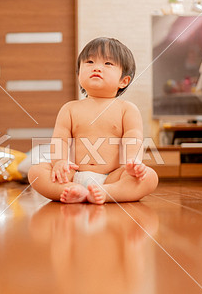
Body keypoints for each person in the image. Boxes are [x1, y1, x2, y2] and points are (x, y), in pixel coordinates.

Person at [28, 37, 158, 204]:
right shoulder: (70, 108)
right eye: (89, 61)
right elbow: (60, 139)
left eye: (108, 64)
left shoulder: (127, 109)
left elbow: (133, 139)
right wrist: (60, 162)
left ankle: (106, 192)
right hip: (73, 175)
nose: (97, 67)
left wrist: (132, 164)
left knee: (149, 177)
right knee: (36, 171)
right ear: (79, 74)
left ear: (123, 81)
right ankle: (71, 190)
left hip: (113, 177)